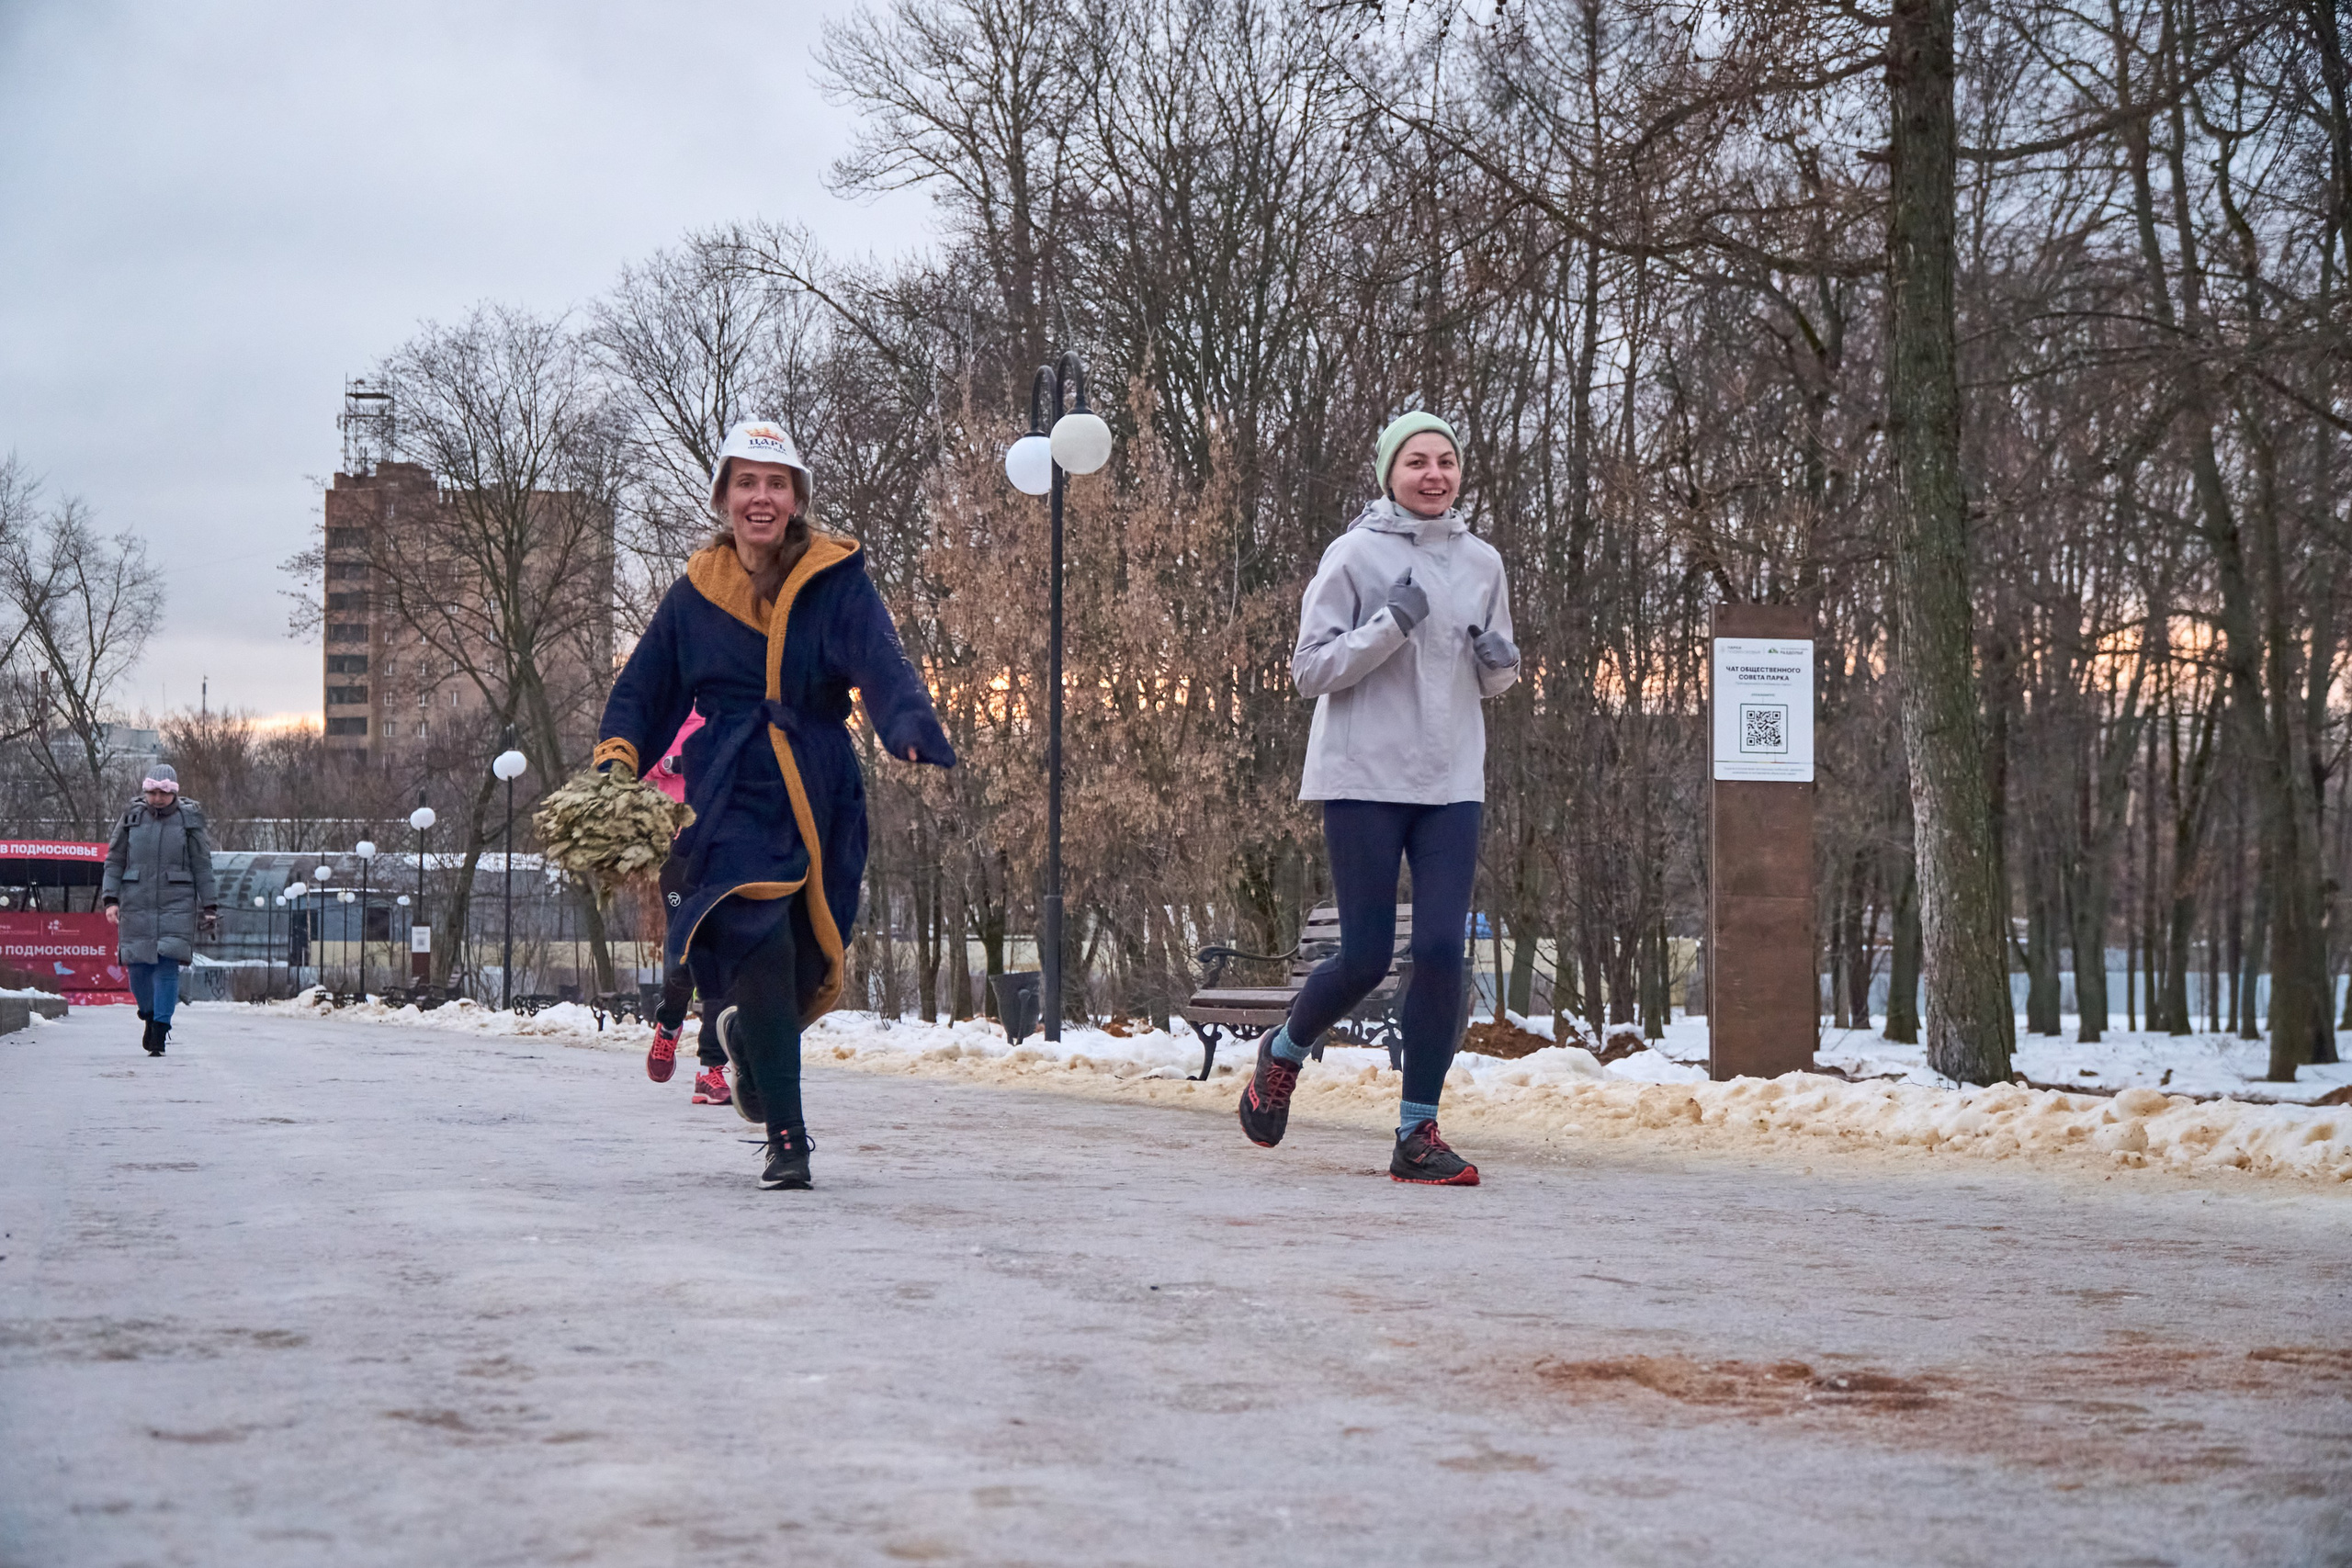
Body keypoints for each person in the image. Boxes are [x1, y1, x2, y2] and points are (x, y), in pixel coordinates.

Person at [596, 420, 954, 1189]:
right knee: (761, 938)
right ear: (724, 495)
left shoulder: (837, 578)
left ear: (796, 499)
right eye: (747, 483)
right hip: (728, 787)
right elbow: (644, 687)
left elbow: (880, 659)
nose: (762, 497)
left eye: (777, 483)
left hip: (818, 784)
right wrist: (617, 758)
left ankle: (748, 1050)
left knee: (810, 954)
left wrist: (908, 726)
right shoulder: (695, 591)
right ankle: (788, 1139)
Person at [1236, 412, 1520, 1184]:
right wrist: (1389, 624)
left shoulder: (1483, 562)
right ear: (1389, 473)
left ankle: (1416, 1133)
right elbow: (1309, 670)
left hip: (1452, 781)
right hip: (1364, 777)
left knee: (1437, 952)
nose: (1435, 474)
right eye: (1418, 462)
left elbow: (1490, 675)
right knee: (1364, 954)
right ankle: (1283, 1053)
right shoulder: (1354, 554)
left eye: (1448, 461)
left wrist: (1501, 664)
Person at [100, 763, 219, 1056]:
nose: (157, 798)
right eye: (152, 792)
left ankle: (160, 1029)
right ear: (146, 790)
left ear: (174, 792)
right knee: (138, 970)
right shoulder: (131, 817)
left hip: (176, 901)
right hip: (136, 900)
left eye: (163, 793)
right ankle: (149, 1014)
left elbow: (202, 864)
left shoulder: (189, 820)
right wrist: (110, 899)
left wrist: (210, 905)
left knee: (166, 966)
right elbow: (115, 860)